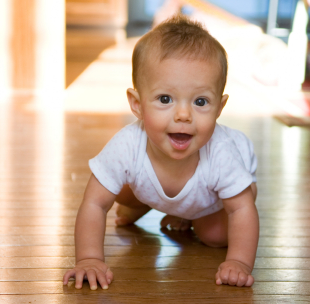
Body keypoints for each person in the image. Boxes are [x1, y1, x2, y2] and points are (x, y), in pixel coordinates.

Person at [63, 14, 259, 290]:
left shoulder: (223, 152)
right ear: (137, 104)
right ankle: (145, 204)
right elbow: (94, 203)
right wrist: (89, 258)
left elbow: (241, 209)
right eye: (165, 99)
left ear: (219, 108)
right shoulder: (127, 144)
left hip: (213, 200)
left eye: (200, 101)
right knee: (111, 186)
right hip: (156, 187)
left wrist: (239, 262)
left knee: (214, 235)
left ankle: (188, 214)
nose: (183, 115)